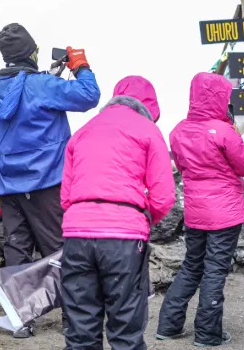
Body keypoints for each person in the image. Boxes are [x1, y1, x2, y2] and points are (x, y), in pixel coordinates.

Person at [0, 23, 100, 337]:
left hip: (9, 183)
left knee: (16, 248)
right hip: (47, 180)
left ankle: (21, 319)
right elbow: (89, 96)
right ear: (31, 52)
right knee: (59, 249)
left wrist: (49, 78)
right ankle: (72, 320)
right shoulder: (42, 85)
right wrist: (80, 65)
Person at [60, 75, 176, 349]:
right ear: (150, 107)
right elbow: (163, 195)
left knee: (80, 325)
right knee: (125, 324)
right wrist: (143, 221)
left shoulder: (84, 131)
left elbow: (66, 196)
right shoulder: (148, 130)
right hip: (123, 237)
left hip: (77, 234)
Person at [157, 72, 244, 347]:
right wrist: (231, 129)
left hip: (195, 211)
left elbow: (182, 165)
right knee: (214, 270)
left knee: (191, 265)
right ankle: (208, 333)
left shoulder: (178, 131)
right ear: (219, 98)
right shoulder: (222, 131)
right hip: (224, 213)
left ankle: (168, 324)